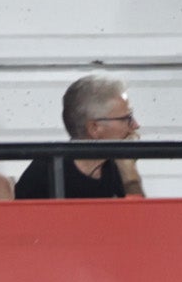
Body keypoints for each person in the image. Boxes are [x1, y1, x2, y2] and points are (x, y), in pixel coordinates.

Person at [15, 74, 145, 200]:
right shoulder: (45, 173)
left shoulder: (118, 165)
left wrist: (130, 178)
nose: (136, 125)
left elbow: (141, 219)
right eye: (127, 118)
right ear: (94, 128)